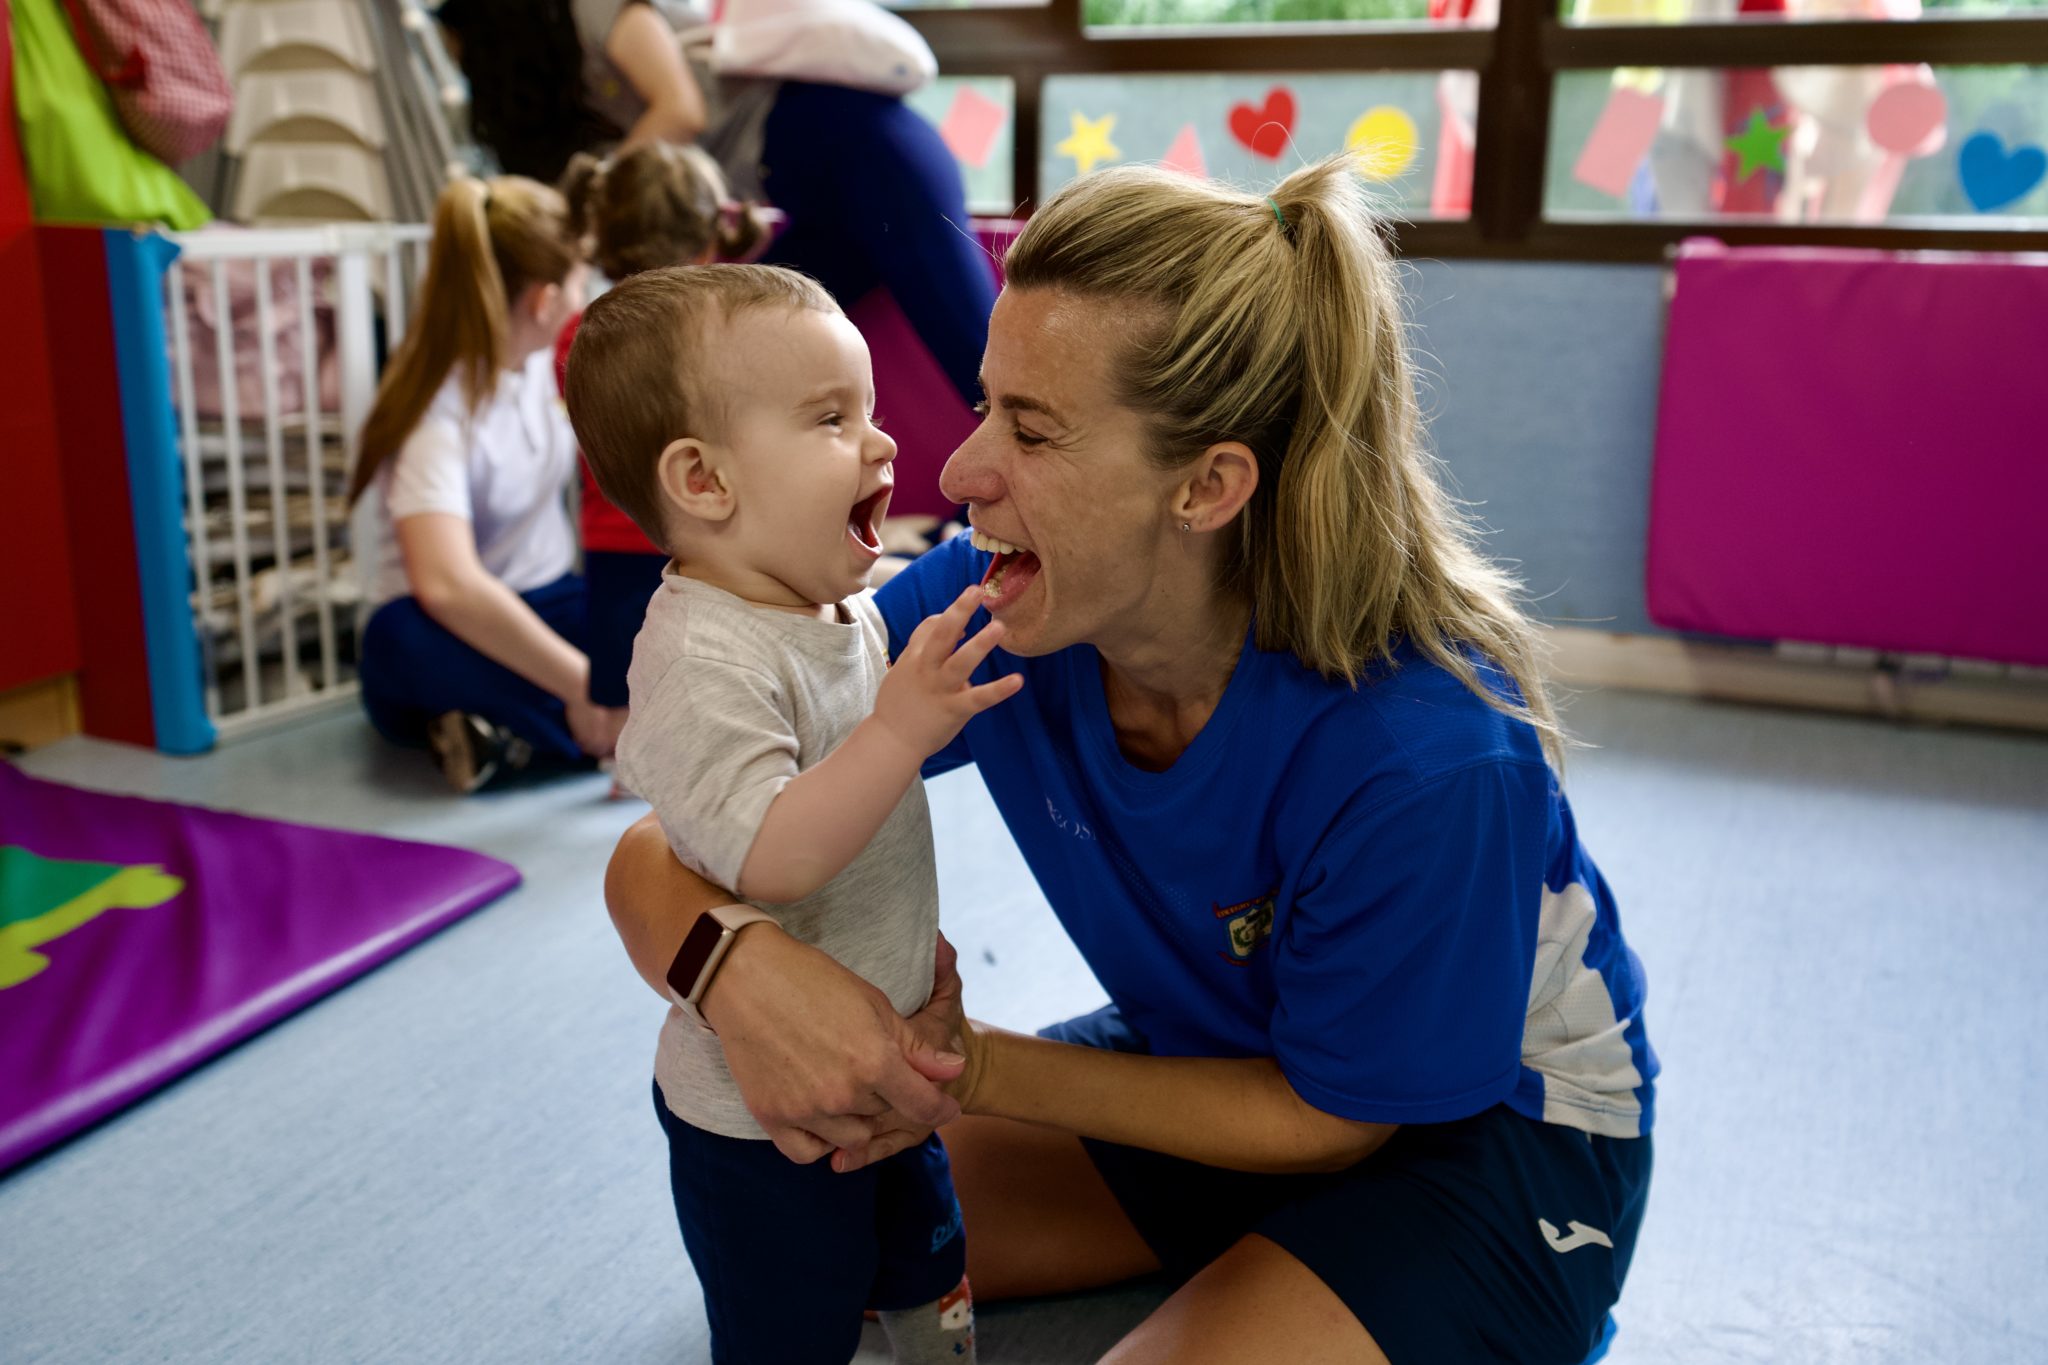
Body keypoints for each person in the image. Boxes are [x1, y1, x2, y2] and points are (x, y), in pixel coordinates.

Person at [602, 156, 1658, 1363]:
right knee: (822, 1237)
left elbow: (1336, 1120)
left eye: (1032, 430)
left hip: (1481, 1140)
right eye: (984, 403)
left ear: (1207, 486)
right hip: (1217, 1056)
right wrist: (730, 970)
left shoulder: (1428, 754)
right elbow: (672, 845)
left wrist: (979, 1066)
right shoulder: (1001, 607)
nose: (955, 474)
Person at [564, 263, 1021, 1363]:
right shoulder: (699, 657)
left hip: (894, 1060)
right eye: (830, 418)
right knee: (792, 1322)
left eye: (864, 412)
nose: (882, 446)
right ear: (705, 481)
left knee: (925, 1263)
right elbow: (765, 855)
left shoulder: (831, 600)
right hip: (763, 1126)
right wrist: (898, 732)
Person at [437, 0, 997, 414]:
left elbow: (680, 111)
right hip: (820, 197)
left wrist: (583, 211)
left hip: (878, 158)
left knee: (985, 368)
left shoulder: (596, 9)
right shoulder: (562, 80)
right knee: (744, 354)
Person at [350, 175, 622, 792]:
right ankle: (610, 730)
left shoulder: (540, 367)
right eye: (579, 284)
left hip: (550, 601)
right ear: (543, 300)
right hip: (446, 622)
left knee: (652, 626)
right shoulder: (437, 408)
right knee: (400, 645)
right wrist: (584, 683)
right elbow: (448, 585)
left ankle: (513, 740)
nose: (584, 299)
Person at [554, 141, 772, 727]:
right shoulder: (717, 332)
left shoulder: (578, 332)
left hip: (610, 538)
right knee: (711, 667)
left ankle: (631, 775)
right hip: (709, 530)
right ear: (707, 244)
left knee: (627, 690)